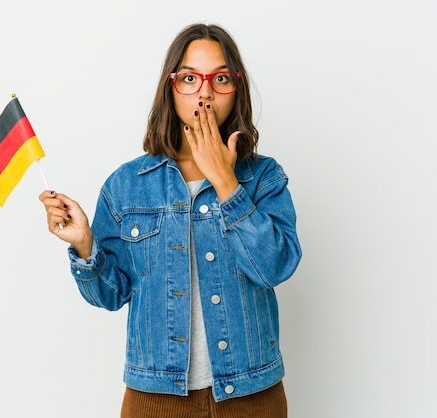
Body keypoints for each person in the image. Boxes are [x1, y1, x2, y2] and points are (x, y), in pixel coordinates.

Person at [39, 23, 302, 418]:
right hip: (155, 400)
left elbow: (277, 266)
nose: (206, 92)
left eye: (221, 78)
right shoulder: (127, 185)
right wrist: (85, 245)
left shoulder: (262, 177)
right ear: (171, 86)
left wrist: (228, 185)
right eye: (191, 78)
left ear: (237, 88)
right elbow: (110, 295)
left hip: (252, 397)